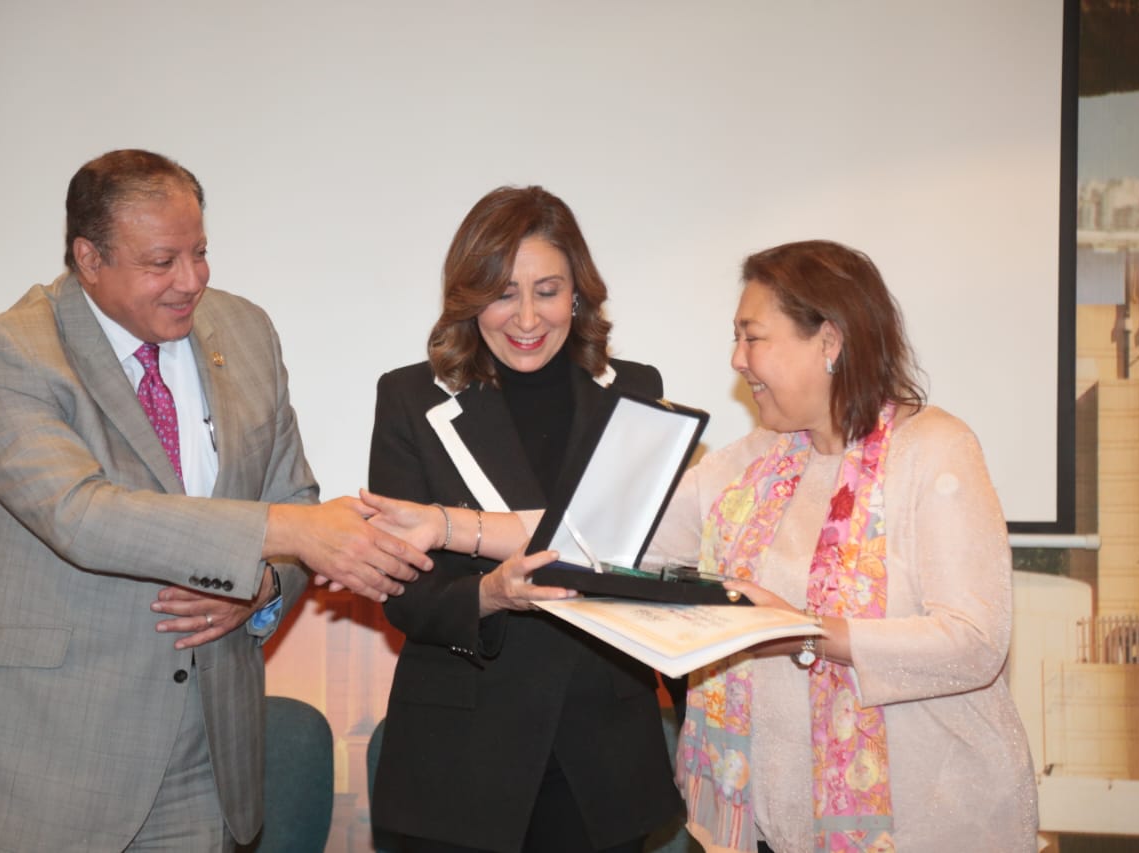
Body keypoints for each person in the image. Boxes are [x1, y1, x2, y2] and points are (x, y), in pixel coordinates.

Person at [0, 149, 431, 852]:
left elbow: (291, 493)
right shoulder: (6, 353)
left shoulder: (244, 331)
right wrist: (288, 530)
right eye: (162, 262)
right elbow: (82, 514)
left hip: (202, 765)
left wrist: (263, 586)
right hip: (38, 764)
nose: (192, 280)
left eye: (200, 252)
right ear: (89, 258)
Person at [642, 240, 1039, 852]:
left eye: (753, 337)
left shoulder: (934, 450)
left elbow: (975, 642)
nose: (737, 359)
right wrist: (477, 529)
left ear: (828, 341)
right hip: (778, 831)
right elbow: (623, 535)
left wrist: (806, 633)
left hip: (932, 826)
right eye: (736, 338)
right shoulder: (752, 464)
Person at [366, 185, 683, 853]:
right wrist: (488, 593)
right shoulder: (410, 398)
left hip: (602, 758)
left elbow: (643, 558)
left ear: (578, 294)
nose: (528, 317)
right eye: (504, 293)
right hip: (460, 762)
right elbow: (405, 594)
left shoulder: (636, 391)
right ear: (470, 297)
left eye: (548, 290)